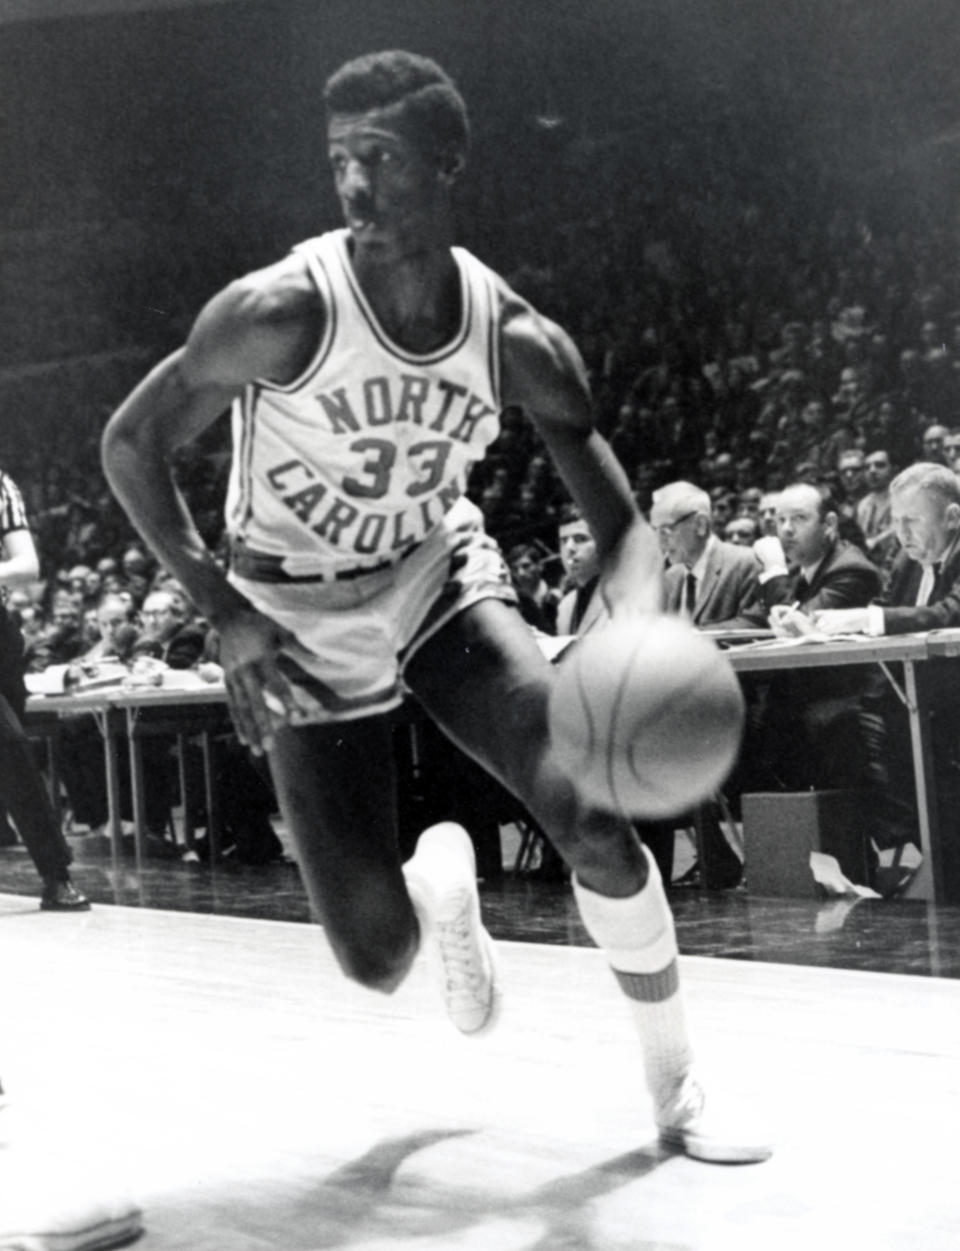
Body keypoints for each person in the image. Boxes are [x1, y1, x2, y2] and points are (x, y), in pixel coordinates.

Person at [102, 50, 768, 1163]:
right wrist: (219, 606)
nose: (354, 186)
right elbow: (131, 444)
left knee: (590, 813)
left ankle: (679, 1083)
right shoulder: (278, 312)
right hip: (293, 615)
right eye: (338, 162)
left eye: (381, 159)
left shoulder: (511, 340)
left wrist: (634, 627)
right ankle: (439, 899)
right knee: (376, 959)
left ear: (448, 164)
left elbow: (625, 531)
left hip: (433, 577)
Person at [816, 463, 960, 895]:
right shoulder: (905, 557)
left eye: (912, 520)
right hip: (906, 699)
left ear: (952, 517)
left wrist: (869, 617)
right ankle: (893, 861)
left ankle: (917, 865)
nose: (901, 533)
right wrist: (817, 625)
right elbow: (880, 607)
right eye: (895, 521)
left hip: (947, 702)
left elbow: (948, 613)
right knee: (831, 727)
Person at [752, 482, 881, 792]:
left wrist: (773, 571)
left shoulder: (850, 568)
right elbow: (756, 617)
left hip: (846, 704)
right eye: (780, 520)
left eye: (798, 519)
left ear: (830, 525)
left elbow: (797, 626)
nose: (785, 530)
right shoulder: (805, 569)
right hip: (809, 700)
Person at [0, 468, 89, 910]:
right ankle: (56, 874)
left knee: (12, 752)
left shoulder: (1, 484)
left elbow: (28, 565)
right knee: (11, 743)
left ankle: (55, 874)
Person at [554, 503, 605, 636]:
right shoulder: (565, 606)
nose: (569, 548)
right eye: (564, 541)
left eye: (580, 539)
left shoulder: (623, 595)